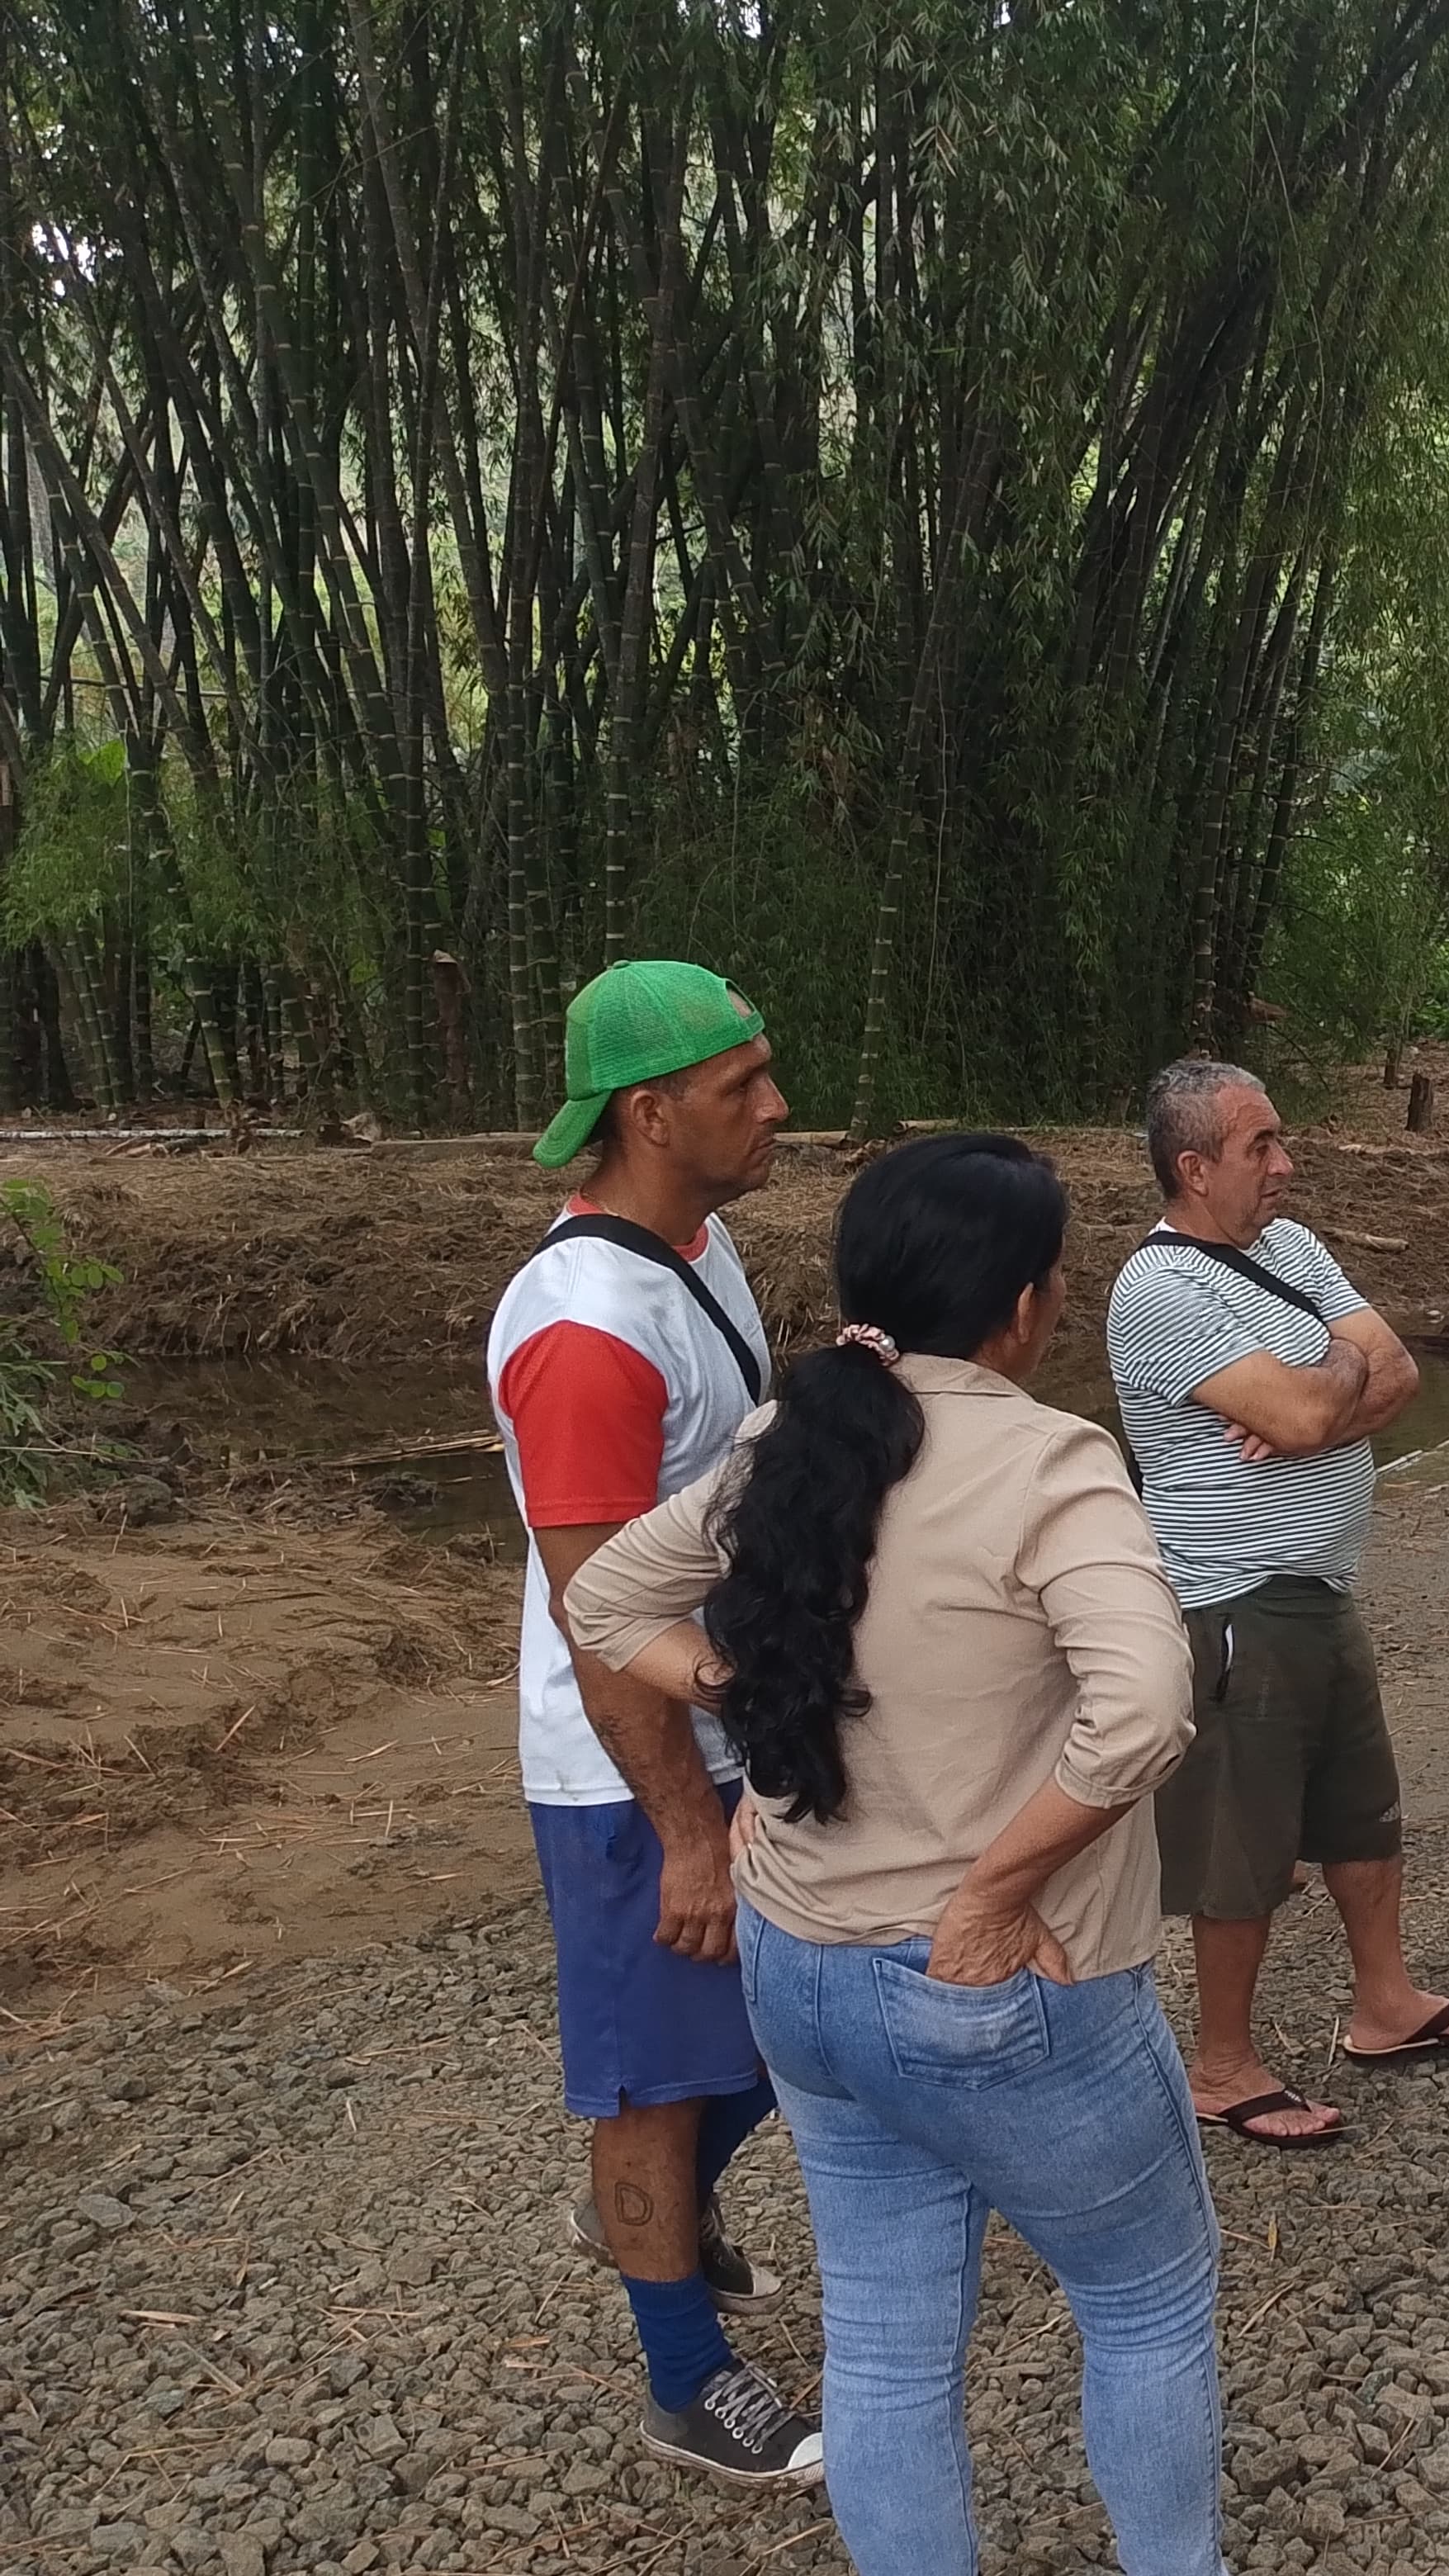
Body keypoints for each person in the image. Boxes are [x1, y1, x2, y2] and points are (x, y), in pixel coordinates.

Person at [564, 1134, 1220, 2576]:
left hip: (802, 1969)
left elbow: (605, 1599)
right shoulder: (1049, 1460)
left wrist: (758, 1698)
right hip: (994, 1981)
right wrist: (998, 1887)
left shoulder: (784, 1441)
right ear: (1027, 1303)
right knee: (1146, 2302)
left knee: (884, 2339)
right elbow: (1144, 1710)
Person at [484, 959, 820, 2484]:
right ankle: (683, 2379)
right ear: (651, 1112)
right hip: (633, 1766)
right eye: (744, 1085)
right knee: (657, 2077)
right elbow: (597, 1608)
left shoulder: (699, 1245)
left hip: (726, 1717)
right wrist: (687, 1826)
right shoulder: (585, 1332)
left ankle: (653, 2215)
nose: (777, 1106)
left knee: (784, 2026)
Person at [1106, 1059, 1449, 2150]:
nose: (1285, 1164)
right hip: (1234, 1602)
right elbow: (1309, 1406)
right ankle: (1222, 2063)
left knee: (1359, 1811)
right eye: (1260, 1147)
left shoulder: (1289, 1248)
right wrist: (1333, 1378)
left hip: (1319, 1584)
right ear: (1194, 1168)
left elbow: (1399, 1375)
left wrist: (1318, 1398)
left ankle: (1386, 2001)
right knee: (1242, 1845)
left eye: (1279, 1140)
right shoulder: (1158, 1289)